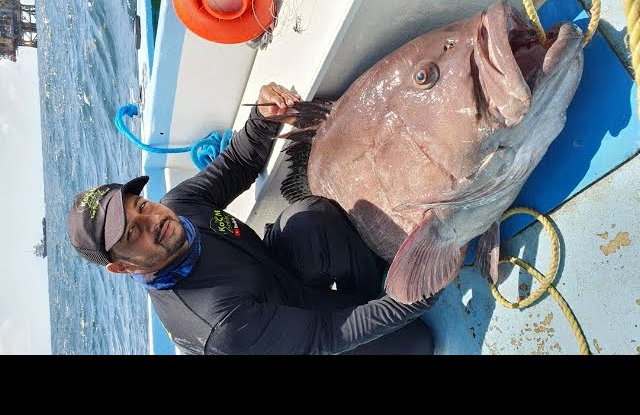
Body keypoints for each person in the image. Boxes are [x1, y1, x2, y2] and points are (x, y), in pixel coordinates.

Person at [66, 82, 439, 355]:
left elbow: (238, 164)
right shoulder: (216, 323)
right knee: (417, 341)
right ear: (123, 267)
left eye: (141, 206)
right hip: (288, 336)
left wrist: (262, 118)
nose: (153, 220)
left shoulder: (179, 206)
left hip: (276, 277)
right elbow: (327, 334)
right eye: (133, 232)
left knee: (311, 219)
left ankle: (384, 282)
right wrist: (416, 296)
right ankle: (399, 293)